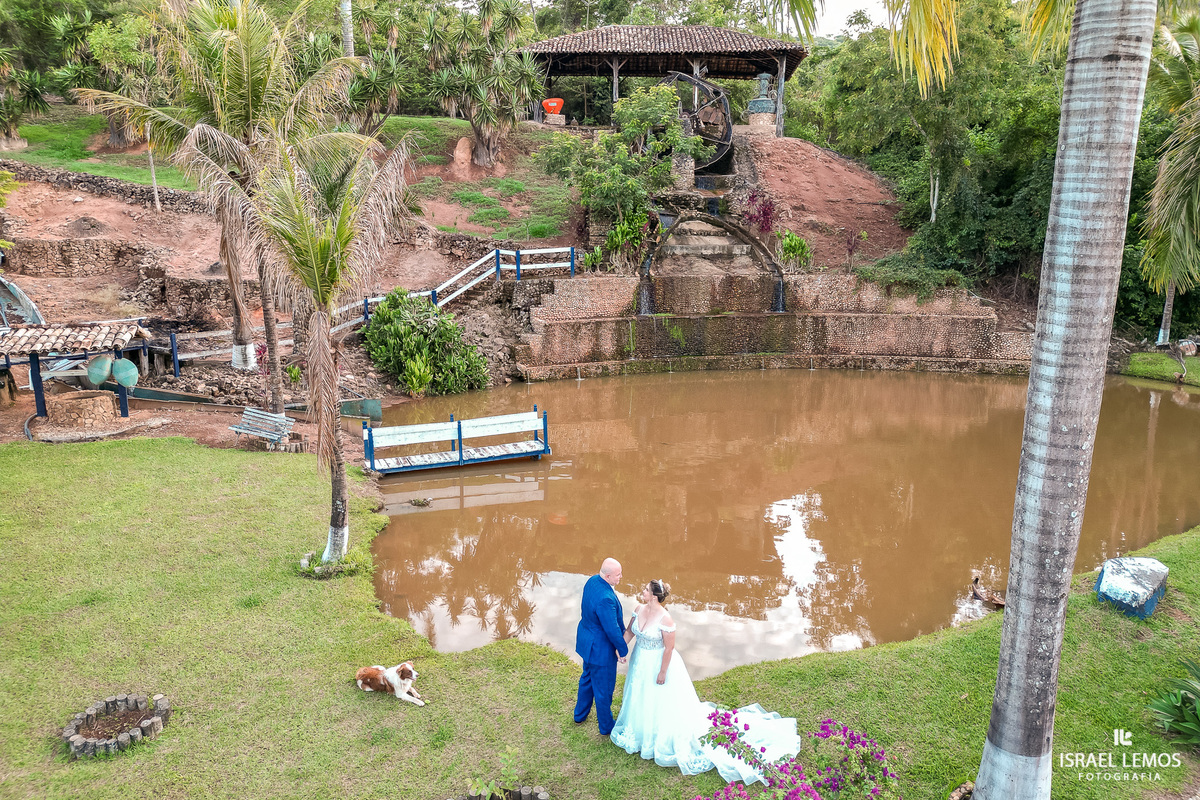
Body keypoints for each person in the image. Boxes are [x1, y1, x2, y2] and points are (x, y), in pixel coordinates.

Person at [610, 579, 802, 784]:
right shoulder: (638, 609)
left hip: (658, 662)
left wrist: (663, 672)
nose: (643, 591)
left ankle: (656, 736)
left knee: (658, 698)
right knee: (639, 693)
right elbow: (630, 632)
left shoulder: (665, 619)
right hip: (640, 661)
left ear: (655, 596)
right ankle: (639, 730)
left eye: (646, 590)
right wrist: (621, 649)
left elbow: (669, 648)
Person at [573, 557, 629, 736]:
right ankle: (606, 727)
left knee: (587, 679)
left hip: (587, 642)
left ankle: (579, 715)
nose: (621, 577)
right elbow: (612, 629)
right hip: (600, 650)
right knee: (603, 690)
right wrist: (622, 649)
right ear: (607, 575)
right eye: (618, 575)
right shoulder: (606, 598)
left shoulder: (592, 581)